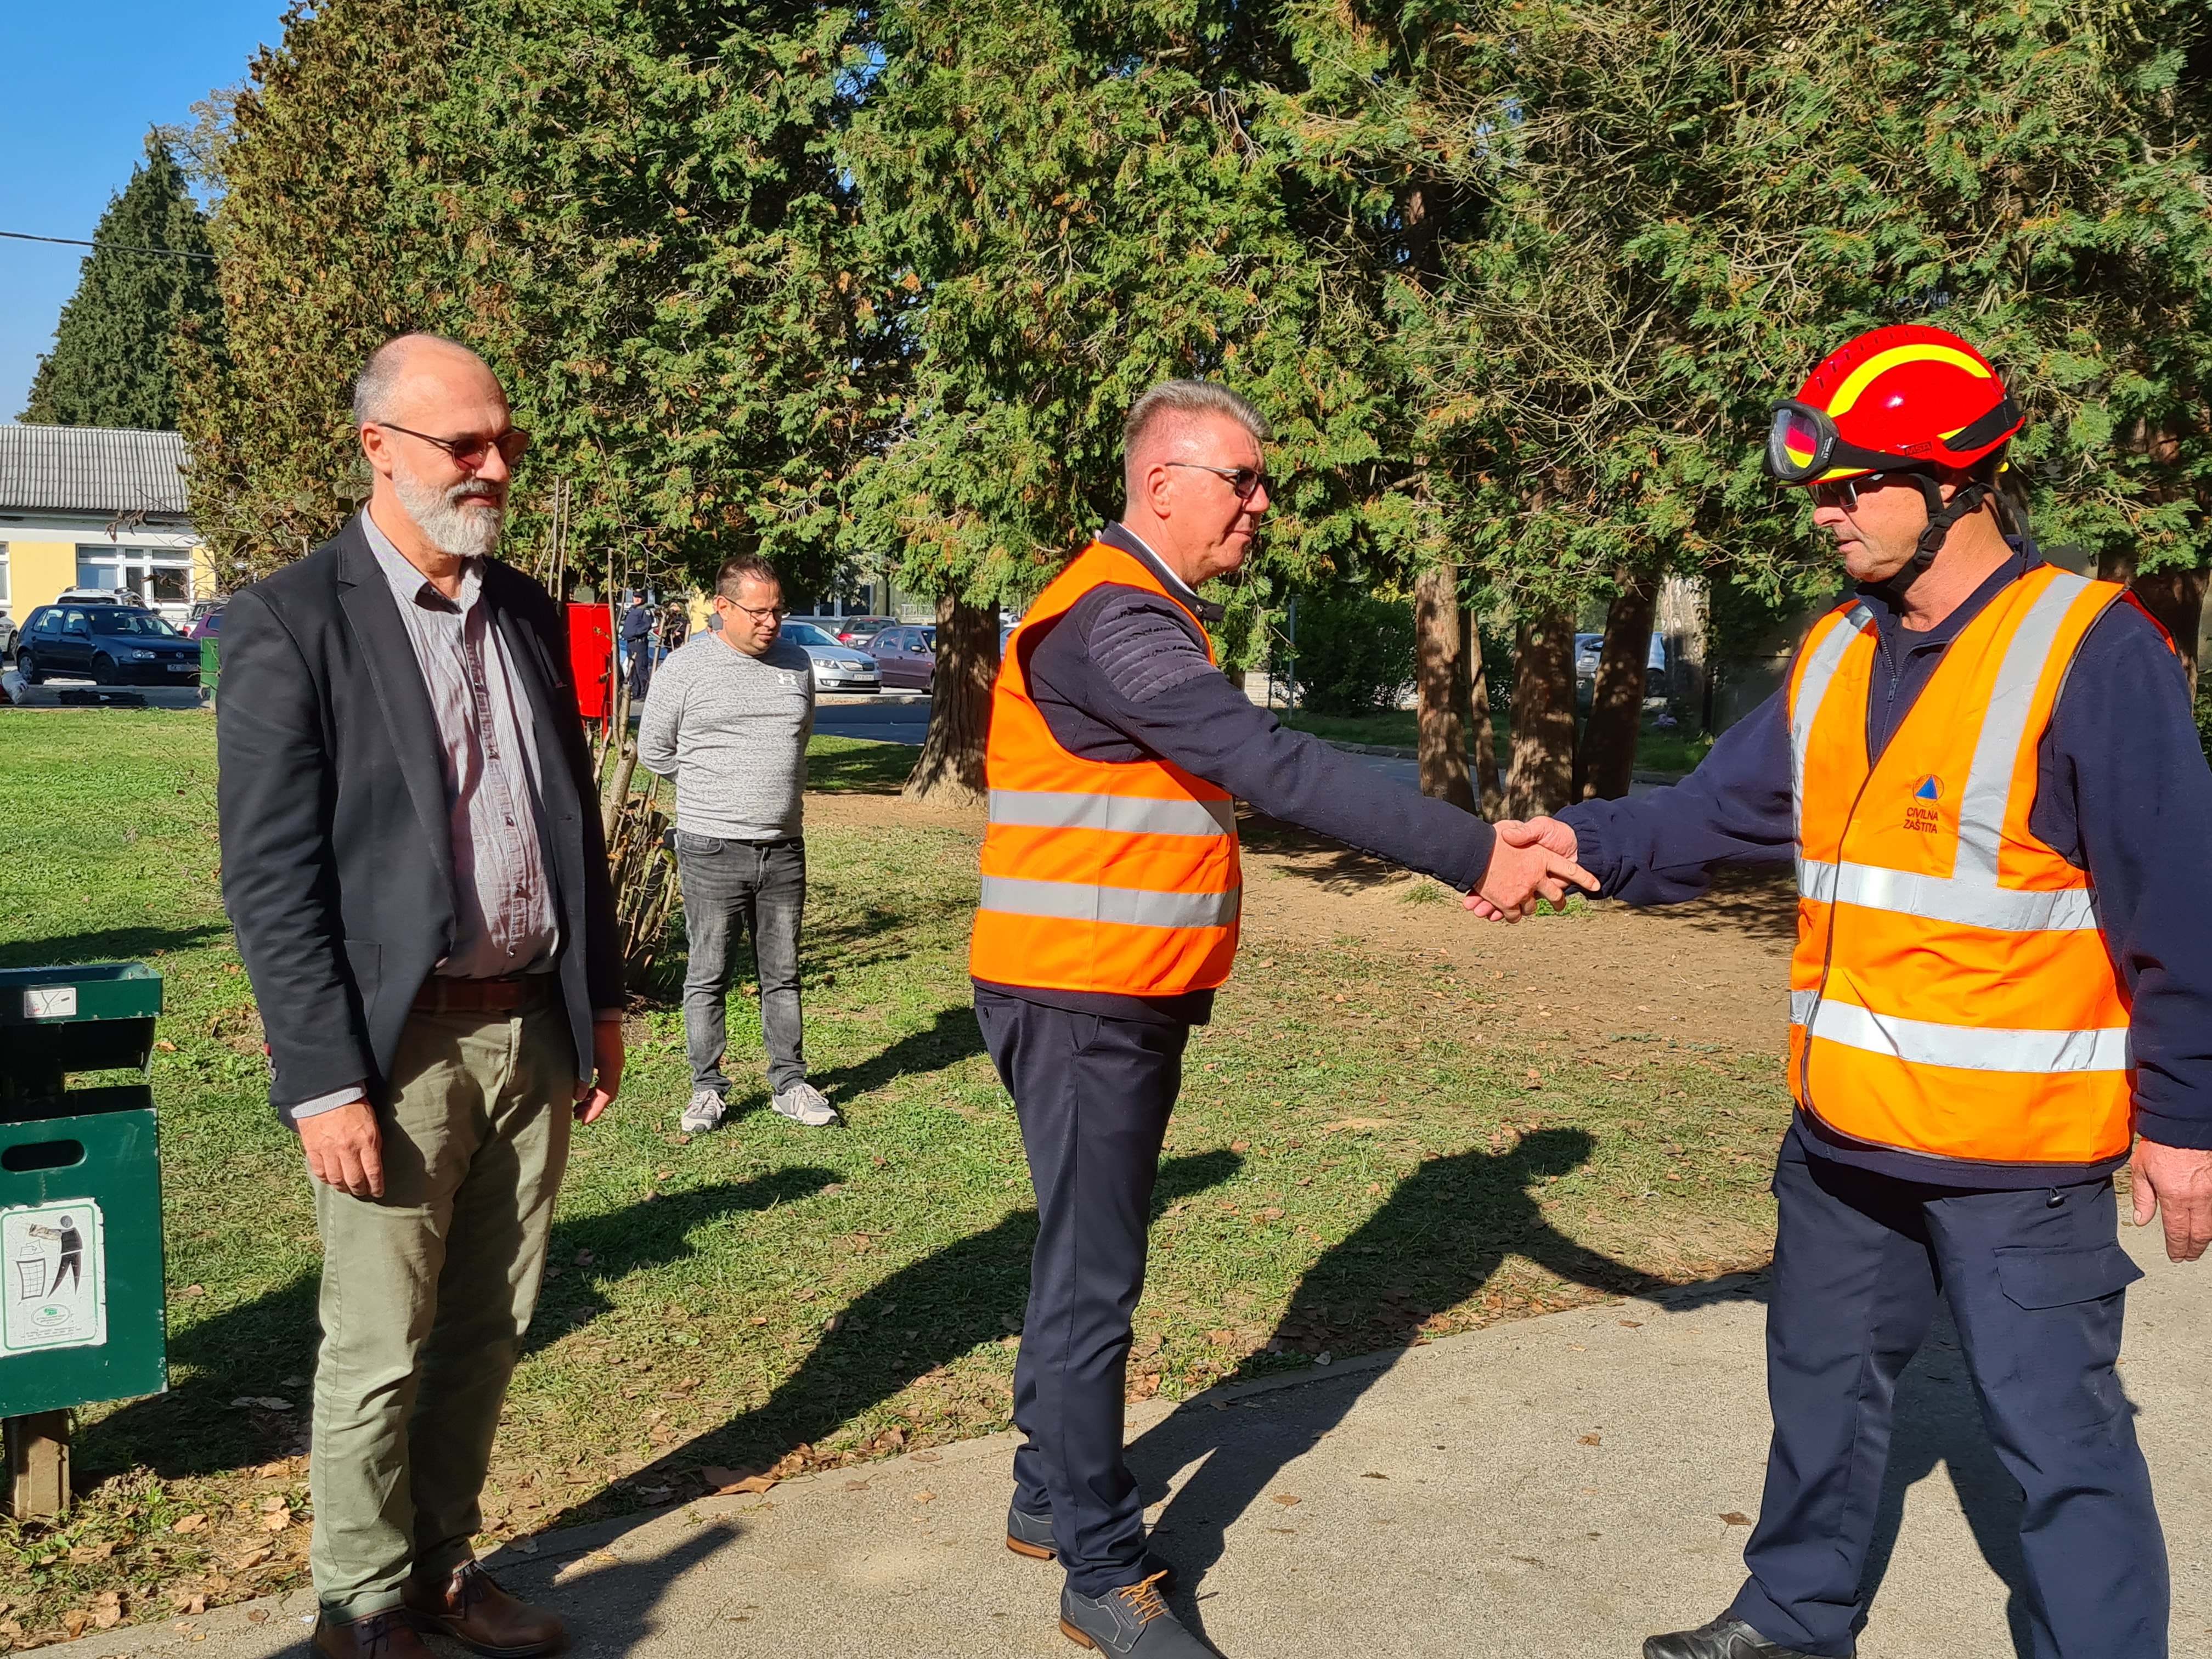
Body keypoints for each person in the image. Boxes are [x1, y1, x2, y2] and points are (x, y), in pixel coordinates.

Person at [1491, 324, 2212, 1659]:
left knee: (2061, 1450)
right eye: (1819, 488)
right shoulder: (1837, 652)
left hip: (2016, 1160)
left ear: (1959, 484)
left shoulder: (2092, 651)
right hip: (1840, 1144)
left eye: (1853, 484)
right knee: (1819, 1396)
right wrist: (1580, 843)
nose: (1826, 512)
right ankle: (1790, 1618)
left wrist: (2183, 1123)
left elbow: (2180, 907)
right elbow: (1716, 818)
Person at [970, 379, 1594, 1656]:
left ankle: (1049, 1493)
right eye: (1240, 480)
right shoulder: (1116, 619)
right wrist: (1473, 850)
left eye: (1264, 483)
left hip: (1096, 989)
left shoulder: (1132, 613)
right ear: (1163, 487)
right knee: (1095, 1271)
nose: (1264, 504)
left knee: (1079, 1249)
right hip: (1086, 999)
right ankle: (1097, 1564)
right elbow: (1276, 764)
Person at [219, 333, 627, 1659]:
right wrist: (322, 1078)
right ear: (379, 448)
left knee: (488, 1332)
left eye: (505, 440)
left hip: (534, 1028)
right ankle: (360, 1601)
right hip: (397, 1052)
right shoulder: (295, 619)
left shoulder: (519, 607)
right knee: (381, 1344)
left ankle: (446, 1570)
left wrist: (598, 999)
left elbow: (569, 822)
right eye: (466, 444)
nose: (495, 466)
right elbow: (271, 877)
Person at [637, 554, 839, 1132]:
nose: (771, 622)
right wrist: (715, 787)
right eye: (758, 612)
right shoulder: (685, 667)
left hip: (782, 847)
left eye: (778, 610)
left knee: (783, 973)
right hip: (710, 847)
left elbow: (799, 738)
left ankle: (791, 1083)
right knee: (708, 974)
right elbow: (654, 749)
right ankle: (707, 1089)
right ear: (721, 608)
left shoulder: (796, 663)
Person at [621, 591, 654, 701]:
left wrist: (635, 633)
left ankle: (645, 694)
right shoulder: (632, 610)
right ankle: (636, 693)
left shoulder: (645, 610)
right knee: (633, 669)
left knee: (641, 668)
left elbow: (647, 626)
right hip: (630, 642)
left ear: (643, 599)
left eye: (639, 597)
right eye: (635, 597)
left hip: (639, 643)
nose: (637, 599)